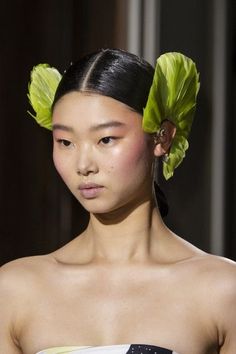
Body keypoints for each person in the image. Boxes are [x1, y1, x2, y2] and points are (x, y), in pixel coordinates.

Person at [0, 48, 235, 354]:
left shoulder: (222, 290)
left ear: (162, 137)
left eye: (106, 139)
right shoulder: (16, 290)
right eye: (66, 142)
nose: (83, 164)